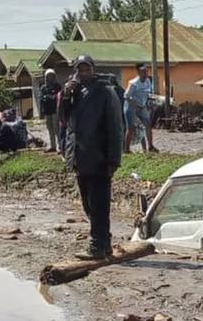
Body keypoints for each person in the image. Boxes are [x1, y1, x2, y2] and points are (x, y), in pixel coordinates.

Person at [60, 55, 123, 260]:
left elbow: (116, 127)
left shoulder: (106, 92)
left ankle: (97, 245)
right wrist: (66, 95)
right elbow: (63, 118)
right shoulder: (75, 92)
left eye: (87, 69)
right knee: (88, 204)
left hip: (99, 157)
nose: (83, 73)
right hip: (79, 156)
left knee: (99, 203)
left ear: (93, 70)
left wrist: (114, 159)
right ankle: (104, 243)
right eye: (80, 70)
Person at [124, 63, 157, 153]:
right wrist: (135, 106)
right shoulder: (134, 83)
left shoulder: (148, 81)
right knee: (131, 128)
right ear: (139, 73)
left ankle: (150, 146)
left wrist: (149, 103)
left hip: (142, 106)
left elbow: (147, 94)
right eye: (143, 72)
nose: (146, 74)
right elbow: (126, 96)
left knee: (148, 125)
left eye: (146, 72)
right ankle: (126, 149)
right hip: (131, 107)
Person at [40, 69, 62, 153]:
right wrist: (41, 112)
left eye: (51, 75)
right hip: (47, 111)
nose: (50, 77)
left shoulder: (57, 86)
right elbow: (42, 98)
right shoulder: (43, 87)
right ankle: (52, 145)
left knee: (56, 128)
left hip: (55, 110)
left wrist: (48, 97)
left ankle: (60, 146)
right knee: (50, 128)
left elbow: (57, 97)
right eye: (48, 76)